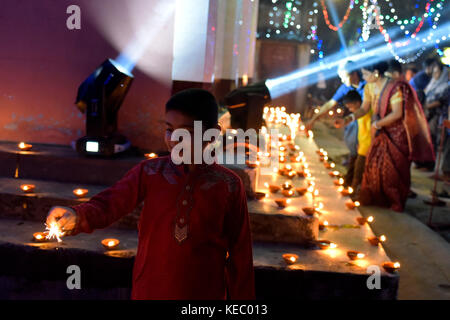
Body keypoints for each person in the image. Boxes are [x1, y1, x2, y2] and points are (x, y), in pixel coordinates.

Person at [46, 89, 255, 300]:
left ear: (212, 134)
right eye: (169, 129)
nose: (174, 140)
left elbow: (240, 254)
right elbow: (111, 203)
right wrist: (77, 215)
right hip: (150, 289)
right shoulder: (150, 172)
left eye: (186, 132)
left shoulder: (228, 185)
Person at [336, 61, 434, 212]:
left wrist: (377, 124)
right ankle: (375, 198)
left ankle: (394, 201)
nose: (363, 77)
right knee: (374, 165)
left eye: (365, 74)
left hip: (396, 133)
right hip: (379, 130)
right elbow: (364, 109)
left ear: (375, 73)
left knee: (394, 169)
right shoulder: (369, 87)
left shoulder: (394, 88)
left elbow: (397, 113)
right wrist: (347, 119)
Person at [305, 60, 366, 130]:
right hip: (356, 119)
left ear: (354, 73)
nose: (343, 80)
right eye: (341, 78)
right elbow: (330, 104)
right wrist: (313, 119)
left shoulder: (367, 84)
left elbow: (365, 109)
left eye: (345, 77)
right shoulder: (345, 87)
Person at [342, 90, 372, 194]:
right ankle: (347, 184)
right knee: (352, 164)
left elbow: (370, 131)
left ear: (358, 103)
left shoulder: (366, 113)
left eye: (350, 107)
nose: (350, 110)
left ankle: (354, 191)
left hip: (367, 147)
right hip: (361, 145)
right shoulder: (358, 114)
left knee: (358, 170)